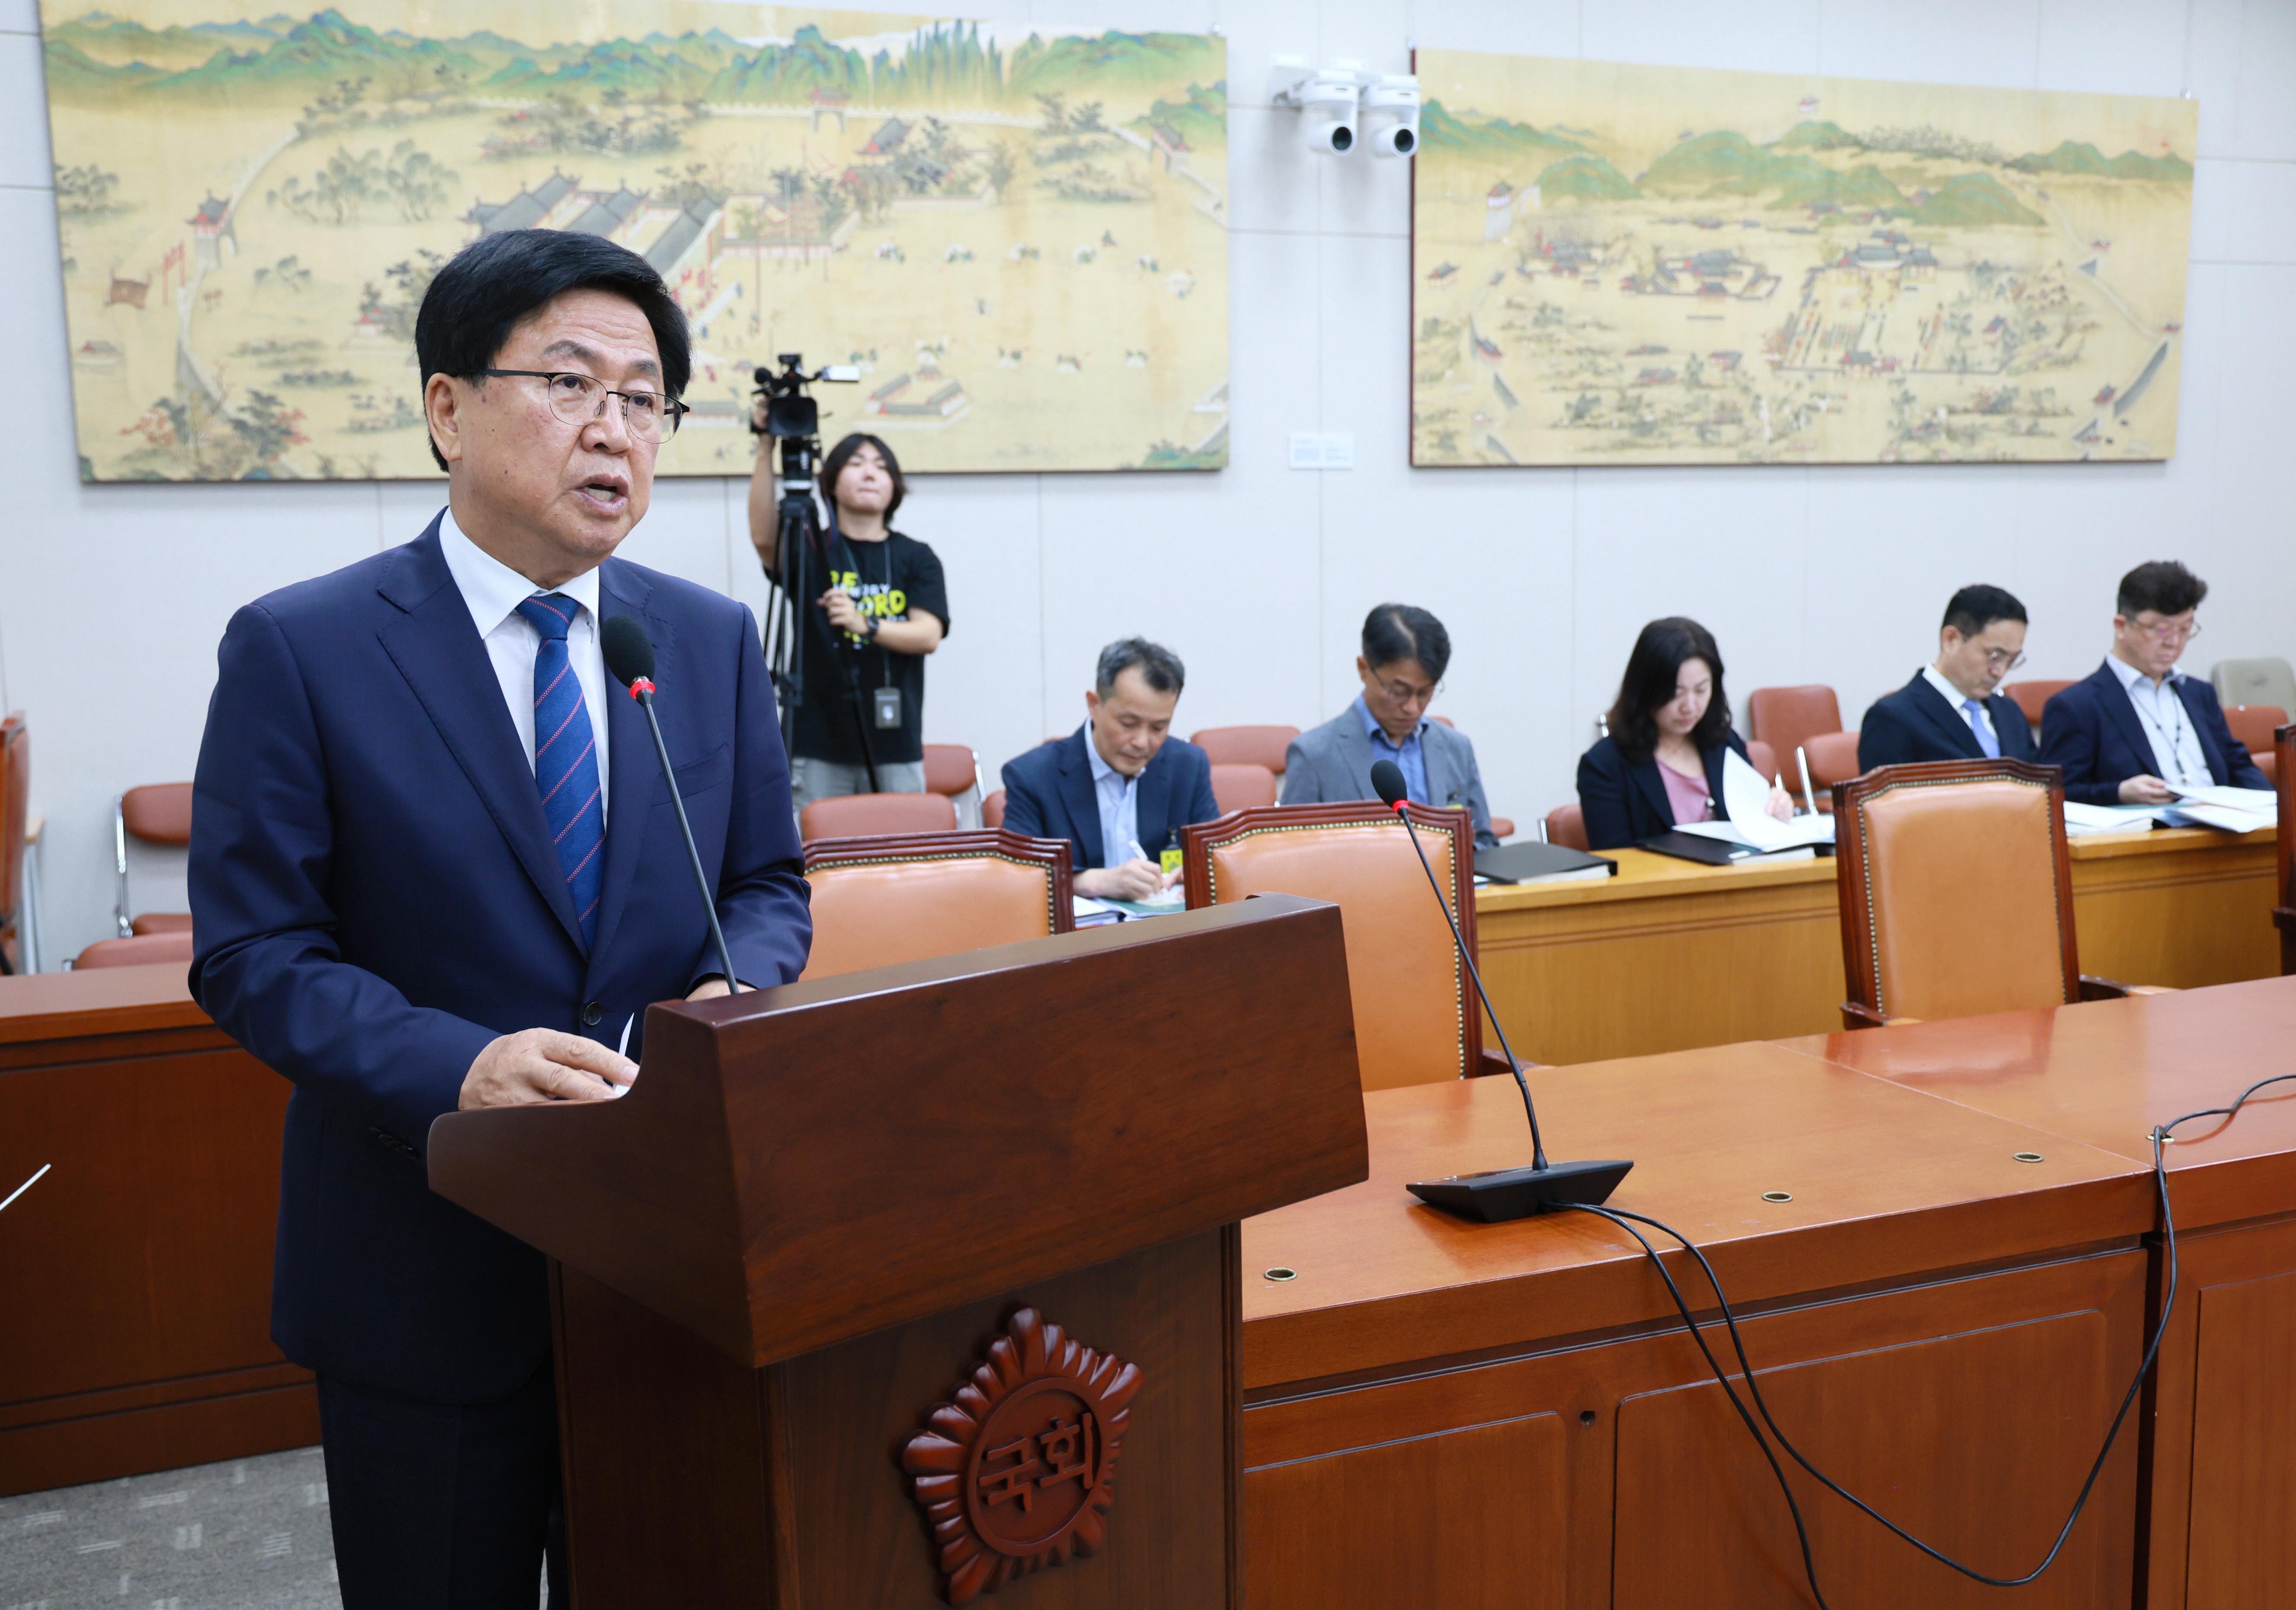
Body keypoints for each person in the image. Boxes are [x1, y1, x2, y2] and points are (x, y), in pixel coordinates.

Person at [187, 229, 812, 1609]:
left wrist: (732, 993)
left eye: (645, 399)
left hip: (667, 1269)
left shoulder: (702, 640)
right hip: (423, 1267)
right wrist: (457, 1066)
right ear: (447, 408)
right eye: (570, 383)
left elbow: (767, 887)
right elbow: (252, 952)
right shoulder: (304, 646)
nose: (614, 430)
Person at [747, 429, 947, 809]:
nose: (870, 473)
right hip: (817, 743)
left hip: (895, 744)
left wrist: (866, 624)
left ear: (894, 486)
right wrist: (766, 446)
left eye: (881, 467)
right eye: (856, 464)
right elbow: (764, 539)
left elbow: (928, 635)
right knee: (817, 845)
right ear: (832, 483)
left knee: (902, 846)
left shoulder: (916, 557)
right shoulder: (810, 549)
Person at [1001, 638, 1220, 899]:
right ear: (1094, 705)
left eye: (1158, 728)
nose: (1142, 742)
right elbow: (1018, 878)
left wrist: (1199, 871)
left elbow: (1216, 855)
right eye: (1128, 724)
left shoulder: (1188, 766)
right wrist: (1088, 882)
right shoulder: (1033, 776)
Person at [2040, 560, 2267, 807]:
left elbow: (2238, 766)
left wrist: (2275, 807)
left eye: (2185, 629)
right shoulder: (2076, 706)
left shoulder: (2200, 693)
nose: (2174, 643)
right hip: (2151, 828)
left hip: (2222, 823)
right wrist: (2119, 793)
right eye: (2161, 630)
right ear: (2121, 626)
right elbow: (2056, 796)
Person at [1281, 603, 1500, 848]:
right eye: (1398, 692)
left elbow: (1485, 841)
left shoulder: (1456, 748)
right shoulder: (1314, 755)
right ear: (1364, 669)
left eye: (1425, 693)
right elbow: (1290, 852)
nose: (1413, 708)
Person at [1577, 617, 1794, 851]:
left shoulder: (1725, 744)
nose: (1690, 707)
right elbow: (1618, 860)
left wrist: (1776, 809)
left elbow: (1753, 826)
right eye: (1675, 693)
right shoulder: (1605, 765)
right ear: (1644, 689)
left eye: (1701, 690)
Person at [1858, 585, 2039, 769]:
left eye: (2012, 660)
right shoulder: (1893, 717)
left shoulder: (2009, 712)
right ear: (1951, 639)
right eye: (1994, 656)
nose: (2000, 672)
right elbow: (1887, 788)